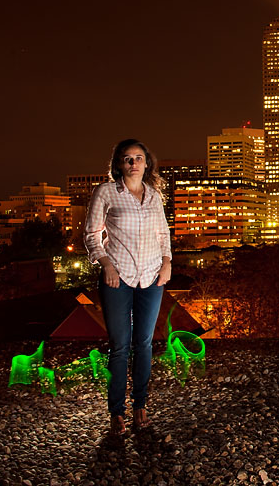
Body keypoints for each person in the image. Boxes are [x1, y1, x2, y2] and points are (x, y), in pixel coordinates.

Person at [85, 139, 172, 435]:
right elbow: (91, 235)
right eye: (127, 159)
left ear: (147, 163)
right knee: (120, 346)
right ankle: (116, 412)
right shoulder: (106, 192)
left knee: (145, 344)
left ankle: (140, 405)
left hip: (151, 276)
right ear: (119, 164)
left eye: (138, 158)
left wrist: (167, 263)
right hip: (117, 275)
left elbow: (163, 234)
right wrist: (105, 264)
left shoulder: (154, 196)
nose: (133, 163)